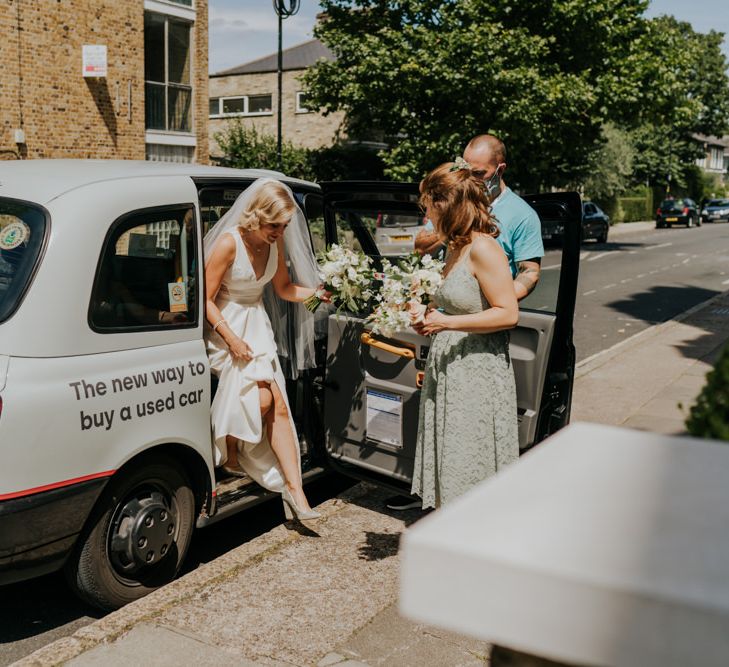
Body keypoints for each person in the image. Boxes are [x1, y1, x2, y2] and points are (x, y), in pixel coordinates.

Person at [204, 179, 323, 522]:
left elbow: (284, 289)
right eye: (275, 225)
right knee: (263, 400)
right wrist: (231, 338)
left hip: (256, 325)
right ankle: (229, 453)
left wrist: (319, 294)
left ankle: (297, 493)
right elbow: (205, 302)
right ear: (257, 216)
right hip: (223, 326)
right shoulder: (229, 244)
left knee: (279, 407)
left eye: (284, 226)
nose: (280, 232)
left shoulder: (276, 243)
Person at [409, 162, 520, 509]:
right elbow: (457, 305)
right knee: (452, 461)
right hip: (450, 369)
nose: (426, 212)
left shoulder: (484, 248)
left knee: (471, 461)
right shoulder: (453, 246)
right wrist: (425, 316)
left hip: (477, 373)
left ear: (447, 204)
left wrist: (444, 323)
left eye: (429, 204)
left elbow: (508, 313)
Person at [415, 134, 544, 300]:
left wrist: (495, 302)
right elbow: (420, 249)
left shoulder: (523, 215)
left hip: (483, 316)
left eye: (478, 173)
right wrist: (455, 225)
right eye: (465, 172)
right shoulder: (452, 200)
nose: (470, 179)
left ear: (501, 170)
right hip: (439, 305)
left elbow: (530, 272)